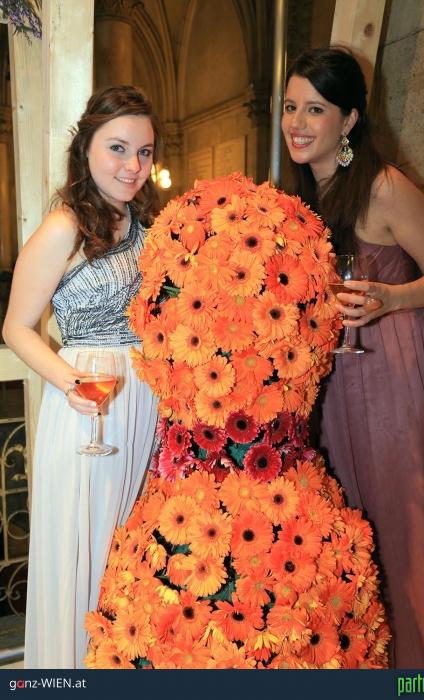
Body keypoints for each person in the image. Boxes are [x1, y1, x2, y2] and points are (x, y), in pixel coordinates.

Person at [282, 47, 424, 669]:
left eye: (315, 109)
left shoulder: (384, 186)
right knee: (355, 519)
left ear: (350, 119)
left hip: (396, 365)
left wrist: (390, 297)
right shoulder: (305, 191)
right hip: (340, 369)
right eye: (290, 107)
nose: (297, 123)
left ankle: (421, 672)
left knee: (398, 522)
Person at [3, 85, 161, 669]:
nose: (133, 165)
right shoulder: (63, 227)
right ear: (85, 147)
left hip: (145, 404)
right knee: (86, 556)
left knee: (129, 558)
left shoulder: (149, 226)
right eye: (118, 148)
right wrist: (71, 383)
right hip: (86, 409)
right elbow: (16, 327)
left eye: (144, 152)